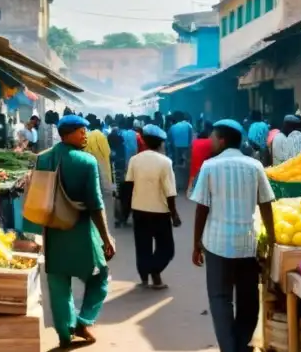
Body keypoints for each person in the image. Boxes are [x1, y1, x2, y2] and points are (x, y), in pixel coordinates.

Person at [191, 119, 276, 352]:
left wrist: (196, 243)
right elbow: (266, 204)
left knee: (220, 299)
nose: (212, 141)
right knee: (249, 299)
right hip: (247, 243)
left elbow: (202, 207)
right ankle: (240, 345)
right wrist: (271, 239)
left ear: (222, 140)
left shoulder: (210, 166)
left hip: (217, 244)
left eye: (214, 138)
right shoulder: (255, 166)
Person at [35, 115, 116, 348]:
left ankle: (64, 332)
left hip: (53, 231)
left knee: (59, 282)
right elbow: (96, 205)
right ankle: (84, 321)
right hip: (80, 231)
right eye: (81, 131)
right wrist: (106, 237)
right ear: (67, 133)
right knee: (100, 276)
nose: (85, 135)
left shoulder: (43, 159)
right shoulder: (86, 161)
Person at [126, 124, 180, 288]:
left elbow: (129, 185)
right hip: (160, 211)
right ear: (161, 143)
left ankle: (144, 277)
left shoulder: (134, 160)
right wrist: (174, 213)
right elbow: (170, 191)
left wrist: (127, 209)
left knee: (142, 245)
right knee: (167, 248)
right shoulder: (166, 162)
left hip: (139, 209)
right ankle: (155, 272)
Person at [83, 116, 114, 203]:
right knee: (103, 179)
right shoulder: (100, 135)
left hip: (89, 161)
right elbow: (107, 151)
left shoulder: (86, 135)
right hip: (102, 161)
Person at [187, 125, 215, 195]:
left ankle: (189, 192)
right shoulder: (210, 142)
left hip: (194, 164)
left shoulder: (195, 142)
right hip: (204, 165)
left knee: (192, 178)